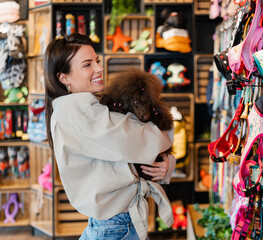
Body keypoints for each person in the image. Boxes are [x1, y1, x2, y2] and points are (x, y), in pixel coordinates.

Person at [43, 33, 175, 240]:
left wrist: (165, 162)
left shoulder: (85, 109)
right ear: (64, 77)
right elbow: (150, 138)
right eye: (87, 65)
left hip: (113, 225)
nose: (98, 68)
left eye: (96, 61)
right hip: (116, 228)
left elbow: (139, 148)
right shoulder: (79, 115)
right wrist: (166, 156)